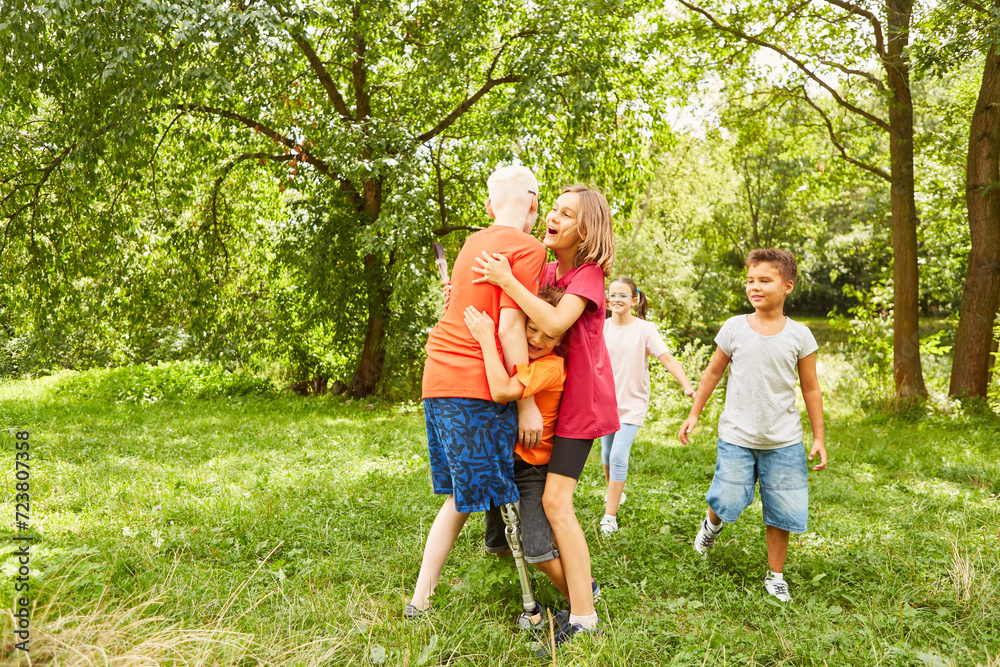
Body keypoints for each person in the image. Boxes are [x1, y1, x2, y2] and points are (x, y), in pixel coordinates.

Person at [471, 184, 617, 646]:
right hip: (552, 393)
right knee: (548, 503)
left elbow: (553, 324)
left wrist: (507, 280)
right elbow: (514, 315)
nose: (552, 216)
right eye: (552, 208)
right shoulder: (549, 268)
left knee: (555, 502)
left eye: (566, 213)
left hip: (582, 401)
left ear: (587, 229)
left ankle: (585, 615)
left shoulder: (589, 274)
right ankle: (580, 592)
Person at [406, 165, 547, 617]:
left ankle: (423, 599)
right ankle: (421, 600)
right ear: (533, 203)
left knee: (462, 496)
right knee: (473, 495)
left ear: (489, 207)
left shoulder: (472, 243)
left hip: (437, 377)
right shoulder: (529, 248)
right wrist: (525, 400)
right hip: (475, 384)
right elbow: (510, 329)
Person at [677, 248, 827, 603]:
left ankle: (775, 576)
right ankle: (711, 526)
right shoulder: (734, 328)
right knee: (727, 497)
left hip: (784, 440)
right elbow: (713, 372)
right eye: (750, 281)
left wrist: (818, 436)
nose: (754, 287)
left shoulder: (800, 335)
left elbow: (811, 388)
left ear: (787, 286)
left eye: (765, 280)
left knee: (783, 510)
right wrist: (695, 413)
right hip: (737, 436)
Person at [464, 286, 570, 627]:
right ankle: (512, 590)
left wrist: (484, 338)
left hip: (532, 469)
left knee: (537, 548)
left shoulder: (550, 367)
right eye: (531, 327)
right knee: (498, 544)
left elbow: (502, 389)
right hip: (503, 462)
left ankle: (582, 593)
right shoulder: (515, 356)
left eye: (549, 334)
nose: (538, 338)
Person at [600, 277, 695, 533]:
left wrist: (686, 385)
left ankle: (610, 516)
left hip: (632, 403)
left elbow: (667, 359)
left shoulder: (645, 329)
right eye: (612, 294)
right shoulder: (601, 327)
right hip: (606, 402)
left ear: (634, 300)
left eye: (623, 295)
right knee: (606, 455)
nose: (616, 299)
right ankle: (615, 495)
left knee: (619, 455)